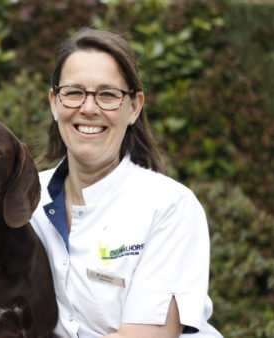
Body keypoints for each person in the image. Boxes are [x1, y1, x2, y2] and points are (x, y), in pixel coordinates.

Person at [30, 27, 223, 337]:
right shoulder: (26, 201)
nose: (89, 108)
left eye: (107, 95)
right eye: (74, 92)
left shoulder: (169, 206)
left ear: (134, 107)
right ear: (55, 102)